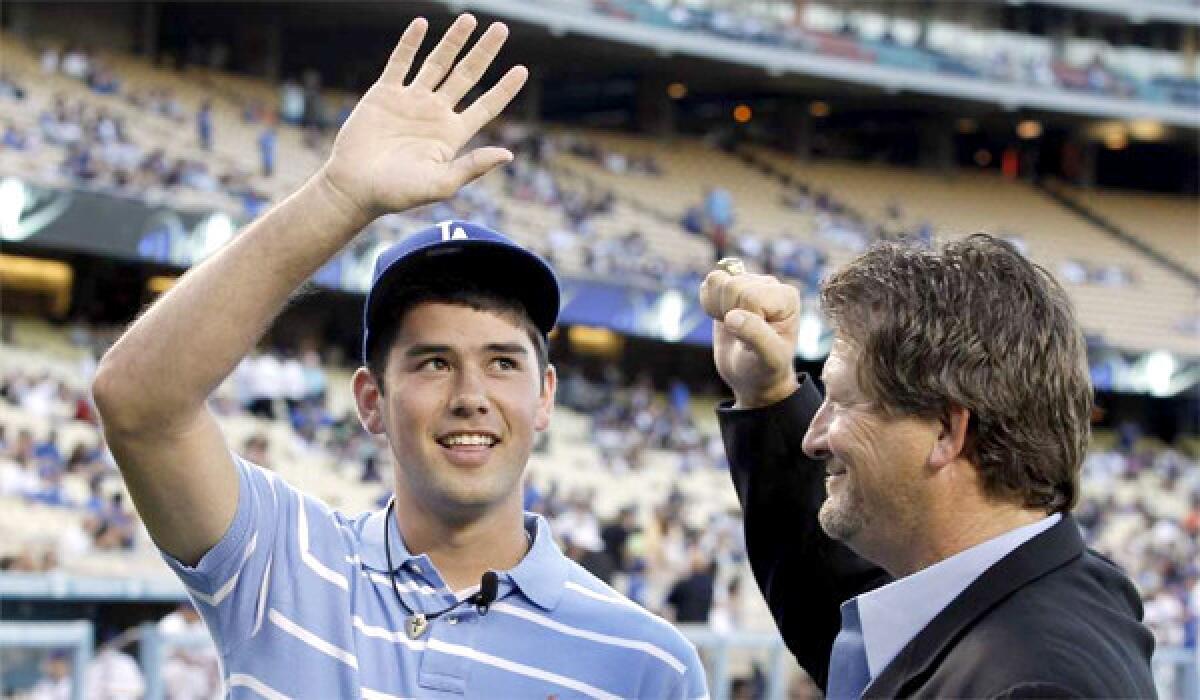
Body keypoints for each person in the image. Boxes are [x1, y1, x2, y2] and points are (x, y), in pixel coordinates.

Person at [92, 15, 705, 698]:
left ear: (547, 397)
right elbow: (136, 402)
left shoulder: (646, 662)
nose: (471, 393)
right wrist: (338, 197)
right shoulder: (284, 561)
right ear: (370, 401)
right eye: (433, 362)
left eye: (503, 362)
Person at [699, 236, 1155, 698]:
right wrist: (768, 394)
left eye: (843, 401)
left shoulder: (1035, 685)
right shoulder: (1036, 595)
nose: (813, 438)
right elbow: (862, 640)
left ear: (944, 431)